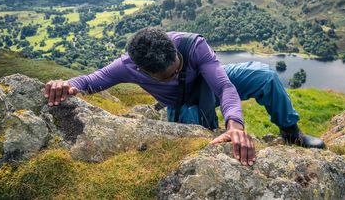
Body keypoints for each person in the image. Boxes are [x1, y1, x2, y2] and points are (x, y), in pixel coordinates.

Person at [44, 27, 325, 166]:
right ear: (142, 71)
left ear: (174, 49)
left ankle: (292, 133)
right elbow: (91, 81)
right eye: (166, 75)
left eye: (177, 64)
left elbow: (225, 87)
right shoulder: (127, 65)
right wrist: (66, 84)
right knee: (195, 133)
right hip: (182, 105)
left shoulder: (193, 46)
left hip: (212, 84)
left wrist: (235, 125)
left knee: (266, 77)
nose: (176, 71)